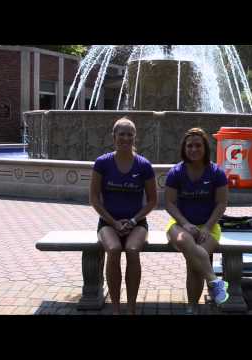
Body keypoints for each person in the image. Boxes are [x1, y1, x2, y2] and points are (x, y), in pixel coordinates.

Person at [90, 117, 157, 314]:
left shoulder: (143, 165)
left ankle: (132, 307)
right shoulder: (102, 163)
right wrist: (114, 222)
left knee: (132, 249)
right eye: (122, 134)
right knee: (113, 249)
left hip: (137, 223)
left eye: (130, 134)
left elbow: (153, 201)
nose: (126, 138)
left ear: (135, 137)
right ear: (114, 137)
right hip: (108, 223)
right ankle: (117, 308)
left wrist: (134, 220)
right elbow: (94, 199)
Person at [164, 127, 230, 314]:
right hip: (179, 224)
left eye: (198, 145)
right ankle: (214, 282)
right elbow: (169, 203)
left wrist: (208, 227)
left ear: (205, 147)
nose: (194, 149)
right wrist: (185, 223)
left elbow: (221, 203)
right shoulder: (175, 172)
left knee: (194, 262)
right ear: (184, 148)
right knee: (185, 241)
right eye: (190, 146)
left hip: (208, 226)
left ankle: (192, 307)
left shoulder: (216, 173)